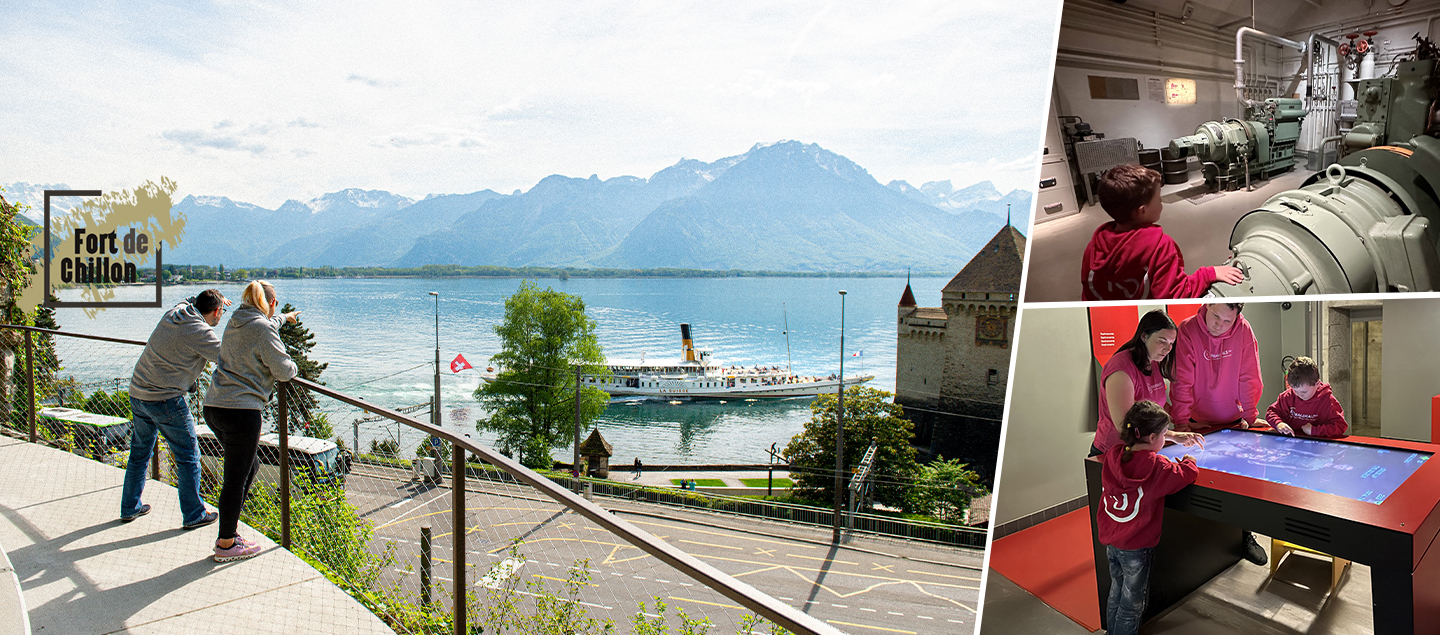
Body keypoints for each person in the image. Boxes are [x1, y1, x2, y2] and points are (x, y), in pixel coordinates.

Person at [204, 281, 301, 563]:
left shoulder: (236, 321)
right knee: (235, 480)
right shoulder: (262, 329)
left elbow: (268, 324)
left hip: (214, 406)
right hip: (241, 412)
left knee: (250, 467)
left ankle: (230, 530)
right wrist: (293, 364)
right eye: (276, 303)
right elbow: (284, 371)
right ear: (270, 303)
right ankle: (226, 544)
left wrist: (285, 318)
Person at [121, 290, 230, 529]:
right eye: (222, 311)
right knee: (188, 456)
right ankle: (194, 514)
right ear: (216, 312)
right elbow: (229, 358)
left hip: (138, 392)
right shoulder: (201, 332)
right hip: (164, 399)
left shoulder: (178, 311)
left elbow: (191, 299)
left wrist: (219, 300)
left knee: (139, 453)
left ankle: (130, 507)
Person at [1170, 302, 1268, 565]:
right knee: (1197, 482)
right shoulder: (1188, 329)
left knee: (1244, 483)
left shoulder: (1244, 330)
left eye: (1227, 321)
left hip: (1233, 419)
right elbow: (1182, 379)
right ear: (1208, 305)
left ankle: (1246, 535)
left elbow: (1249, 375)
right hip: (1197, 423)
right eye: (1216, 316)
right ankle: (1203, 543)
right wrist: (1181, 423)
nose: (1219, 325)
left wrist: (1250, 415)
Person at [1097, 400, 1199, 635]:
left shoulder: (1113, 455)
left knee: (1116, 592)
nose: (1165, 438)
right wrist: (1189, 460)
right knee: (1132, 605)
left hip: (1112, 541)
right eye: (1164, 434)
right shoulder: (1157, 466)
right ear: (1153, 437)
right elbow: (1186, 474)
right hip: (1136, 546)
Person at [1080, 164, 1243, 300]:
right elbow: (1175, 295)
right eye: (1158, 198)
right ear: (1142, 211)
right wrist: (1208, 274)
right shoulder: (1160, 247)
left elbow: (1089, 294)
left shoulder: (1093, 248)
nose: (1161, 202)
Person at [1089, 310, 1204, 457]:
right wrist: (1172, 435)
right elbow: (1126, 426)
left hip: (1142, 451)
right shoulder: (1121, 369)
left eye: (1171, 343)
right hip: (1113, 453)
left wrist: (1185, 421)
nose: (1167, 349)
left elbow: (1157, 406)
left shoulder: (1153, 362)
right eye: (1162, 341)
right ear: (1143, 336)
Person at [1267, 357, 1348, 438]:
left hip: (1317, 442)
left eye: (1304, 392)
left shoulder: (1328, 401)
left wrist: (1315, 431)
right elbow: (1271, 412)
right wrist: (1279, 423)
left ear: (1317, 384)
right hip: (1291, 439)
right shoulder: (1287, 397)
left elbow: (1340, 426)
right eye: (1295, 390)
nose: (1299, 395)